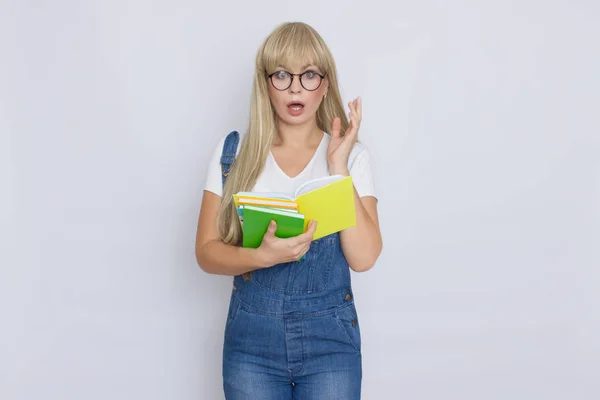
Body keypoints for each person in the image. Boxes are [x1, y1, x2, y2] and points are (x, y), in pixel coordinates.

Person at [195, 21, 382, 400]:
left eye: (309, 75)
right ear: (265, 84)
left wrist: (339, 168)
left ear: (325, 84)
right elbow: (206, 253)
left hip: (330, 340)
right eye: (281, 74)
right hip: (251, 342)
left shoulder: (352, 157)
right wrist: (259, 256)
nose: (295, 87)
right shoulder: (234, 154)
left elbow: (363, 258)